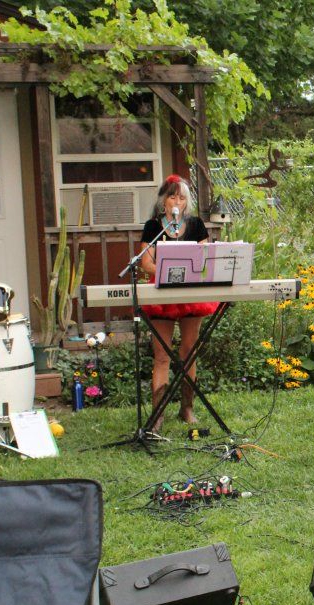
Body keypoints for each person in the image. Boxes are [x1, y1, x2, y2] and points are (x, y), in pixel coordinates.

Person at [138, 174, 218, 435]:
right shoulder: (153, 226)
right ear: (164, 201)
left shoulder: (196, 225)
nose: (176, 201)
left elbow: (205, 257)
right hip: (162, 293)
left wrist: (187, 271)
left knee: (189, 351)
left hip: (190, 294)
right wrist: (168, 271)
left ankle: (187, 408)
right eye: (172, 196)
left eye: (181, 197)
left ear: (187, 202)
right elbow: (145, 262)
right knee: (162, 355)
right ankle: (158, 414)